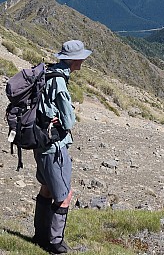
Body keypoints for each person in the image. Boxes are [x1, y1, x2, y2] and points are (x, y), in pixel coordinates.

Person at [32, 40, 91, 254]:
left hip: (40, 142)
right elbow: (69, 121)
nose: (84, 60)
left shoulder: (49, 72)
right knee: (64, 195)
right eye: (82, 57)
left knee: (47, 189)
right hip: (54, 147)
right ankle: (55, 243)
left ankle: (40, 236)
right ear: (74, 59)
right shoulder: (59, 82)